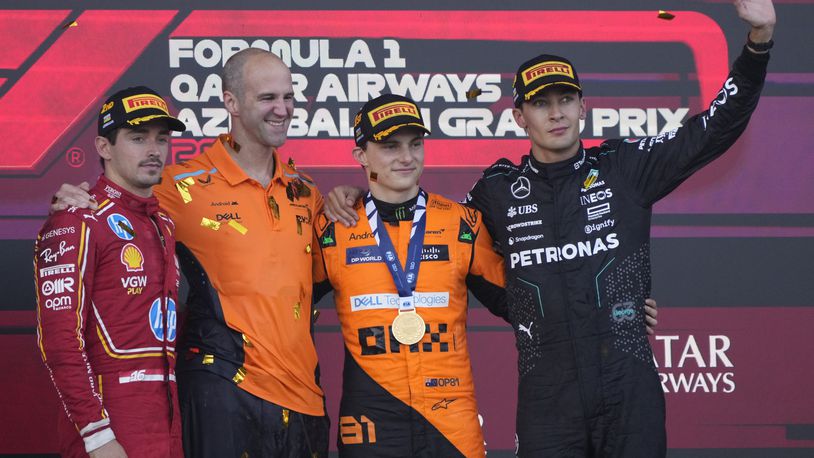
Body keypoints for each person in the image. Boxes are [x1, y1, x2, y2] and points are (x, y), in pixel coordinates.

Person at [324, 0, 773, 455]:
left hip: (627, 387)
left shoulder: (624, 168)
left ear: (583, 107)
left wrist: (759, 44)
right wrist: (359, 196)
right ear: (520, 117)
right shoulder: (496, 191)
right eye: (541, 103)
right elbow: (438, 238)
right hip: (548, 398)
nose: (555, 113)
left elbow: (714, 128)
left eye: (565, 100)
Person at [50, 48, 330, 457]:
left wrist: (349, 194)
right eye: (268, 97)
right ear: (231, 102)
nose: (282, 109)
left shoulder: (306, 192)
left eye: (288, 97)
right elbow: (117, 199)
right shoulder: (178, 185)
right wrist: (71, 200)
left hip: (305, 397)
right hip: (226, 393)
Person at [311, 94, 507, 457]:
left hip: (451, 418)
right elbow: (280, 307)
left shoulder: (461, 222)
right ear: (361, 156)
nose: (407, 157)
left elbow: (523, 303)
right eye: (389, 146)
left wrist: (613, 308)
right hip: (371, 418)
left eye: (415, 144)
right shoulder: (333, 227)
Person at [35, 86, 186, 457]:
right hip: (110, 431)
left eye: (161, 139)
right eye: (138, 138)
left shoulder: (163, 221)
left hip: (166, 427)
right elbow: (59, 340)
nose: (154, 150)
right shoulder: (76, 219)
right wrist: (97, 434)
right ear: (104, 148)